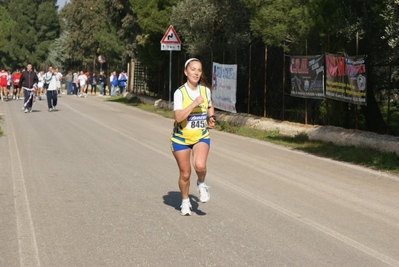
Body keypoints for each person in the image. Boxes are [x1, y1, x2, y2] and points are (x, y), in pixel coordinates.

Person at [170, 58, 216, 216]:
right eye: (193, 69)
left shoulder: (205, 91)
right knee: (185, 173)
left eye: (199, 70)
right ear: (186, 72)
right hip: (180, 139)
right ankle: (184, 201)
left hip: (200, 136)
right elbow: (178, 117)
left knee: (200, 166)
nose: (196, 73)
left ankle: (202, 183)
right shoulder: (180, 93)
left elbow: (210, 106)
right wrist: (193, 104)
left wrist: (212, 117)